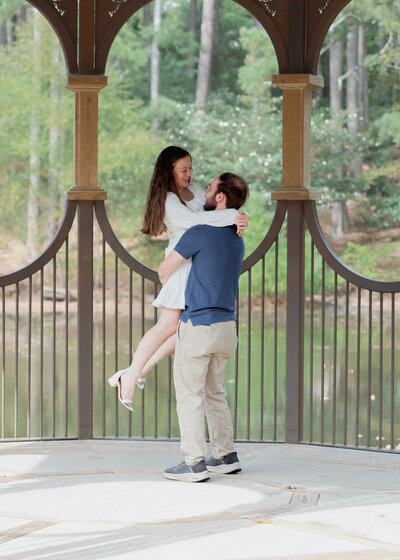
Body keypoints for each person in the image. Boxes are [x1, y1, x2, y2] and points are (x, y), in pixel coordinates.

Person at [108, 147, 248, 411]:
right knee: (167, 326)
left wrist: (241, 215)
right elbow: (195, 221)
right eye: (183, 170)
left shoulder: (195, 191)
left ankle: (138, 371)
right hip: (181, 263)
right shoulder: (168, 201)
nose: (189, 174)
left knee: (184, 329)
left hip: (198, 264)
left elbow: (212, 211)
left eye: (190, 168)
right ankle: (131, 374)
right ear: (169, 171)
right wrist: (234, 215)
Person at [159, 171, 249, 482]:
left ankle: (194, 462)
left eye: (210, 188)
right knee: (215, 392)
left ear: (220, 197)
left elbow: (163, 272)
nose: (205, 193)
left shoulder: (198, 232)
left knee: (189, 395)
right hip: (227, 327)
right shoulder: (238, 239)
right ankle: (225, 456)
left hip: (198, 325)